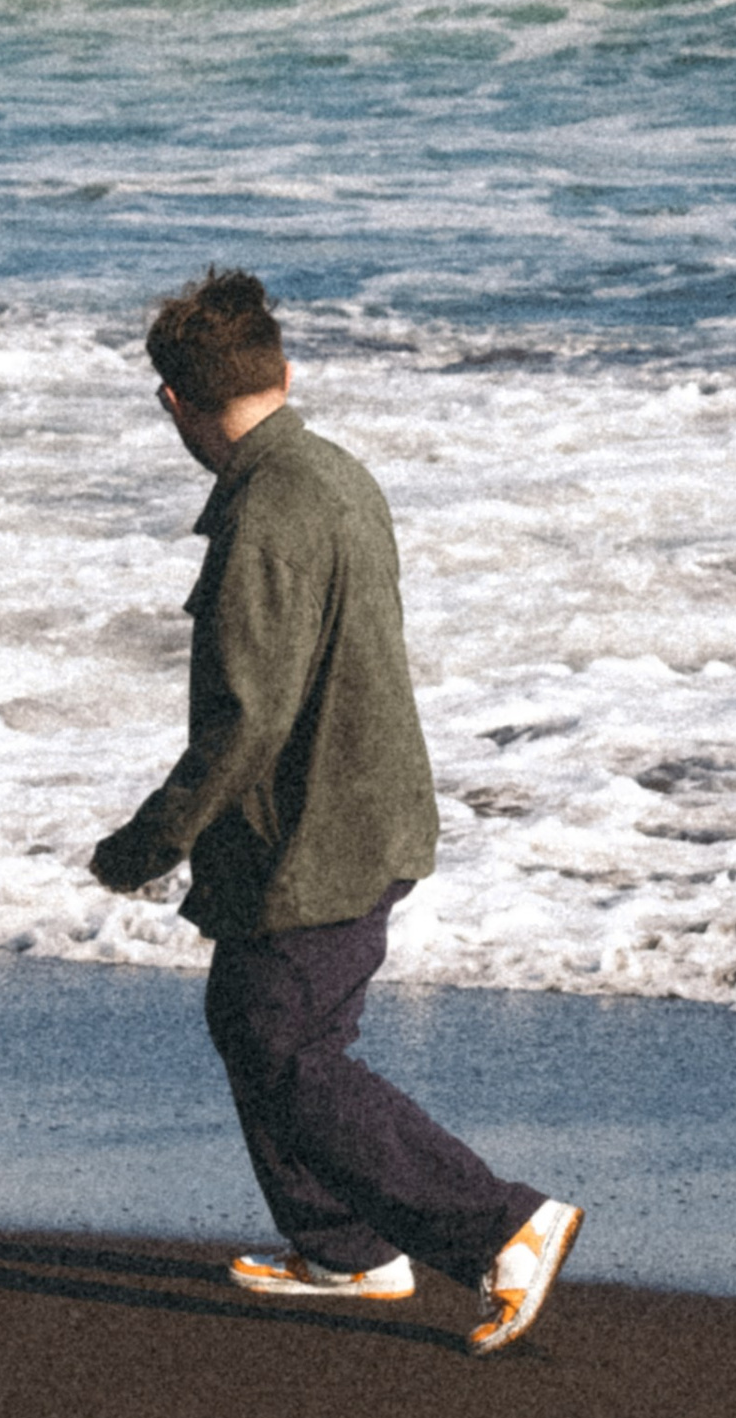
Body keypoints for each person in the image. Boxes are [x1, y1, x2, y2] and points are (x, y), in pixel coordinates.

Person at [89, 266, 582, 1356]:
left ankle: (505, 1227)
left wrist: (152, 841)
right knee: (260, 1025)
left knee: (287, 1053)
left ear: (173, 401)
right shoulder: (337, 474)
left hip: (313, 834)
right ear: (284, 372)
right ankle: (346, 1252)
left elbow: (246, 720)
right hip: (371, 804)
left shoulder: (265, 516)